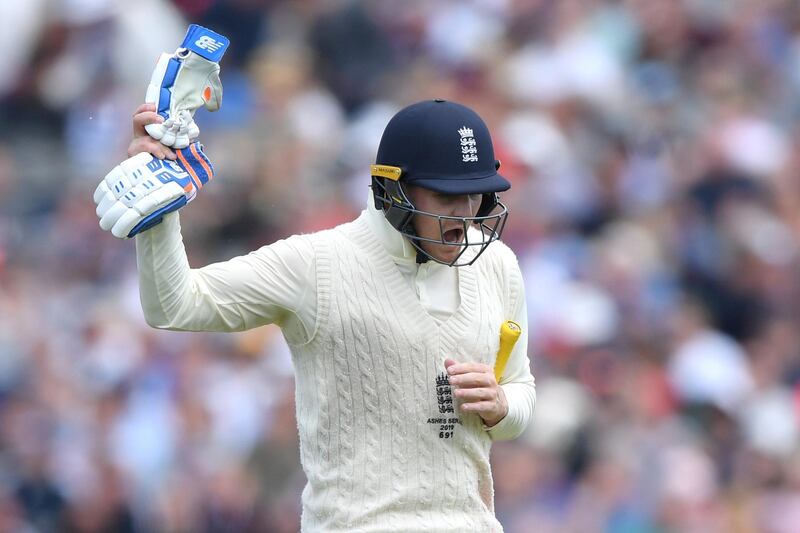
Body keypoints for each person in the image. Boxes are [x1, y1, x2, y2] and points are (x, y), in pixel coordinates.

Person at [100, 98, 536, 531]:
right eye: (446, 195)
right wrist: (160, 200)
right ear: (395, 191)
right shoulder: (316, 263)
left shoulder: (497, 264)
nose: (465, 214)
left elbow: (519, 392)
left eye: (475, 195)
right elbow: (173, 305)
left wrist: (501, 406)